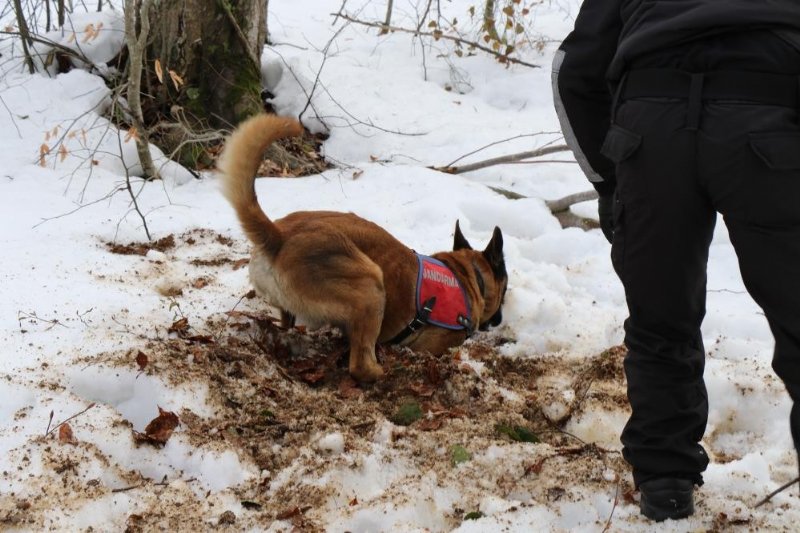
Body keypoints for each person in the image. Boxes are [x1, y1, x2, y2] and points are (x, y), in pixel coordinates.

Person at [552, 0, 800, 522]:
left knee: (658, 316)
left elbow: (574, 71)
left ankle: (665, 481)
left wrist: (610, 177)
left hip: (651, 124)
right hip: (766, 117)